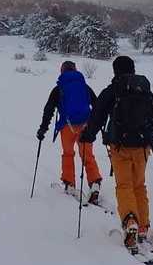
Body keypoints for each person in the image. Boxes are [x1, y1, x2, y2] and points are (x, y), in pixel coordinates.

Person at [82, 54, 153, 249]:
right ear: (133, 69)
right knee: (139, 185)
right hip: (143, 147)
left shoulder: (112, 90)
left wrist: (88, 136)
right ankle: (143, 226)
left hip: (119, 146)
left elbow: (97, 117)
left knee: (124, 185)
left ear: (115, 71)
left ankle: (130, 221)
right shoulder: (144, 90)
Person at [37, 60, 103, 203]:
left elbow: (49, 109)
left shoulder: (59, 88)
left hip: (67, 126)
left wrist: (43, 128)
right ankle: (95, 183)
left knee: (68, 154)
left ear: (62, 71)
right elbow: (97, 105)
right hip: (85, 125)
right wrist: (97, 124)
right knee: (87, 154)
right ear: (75, 70)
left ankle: (70, 184)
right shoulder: (84, 87)